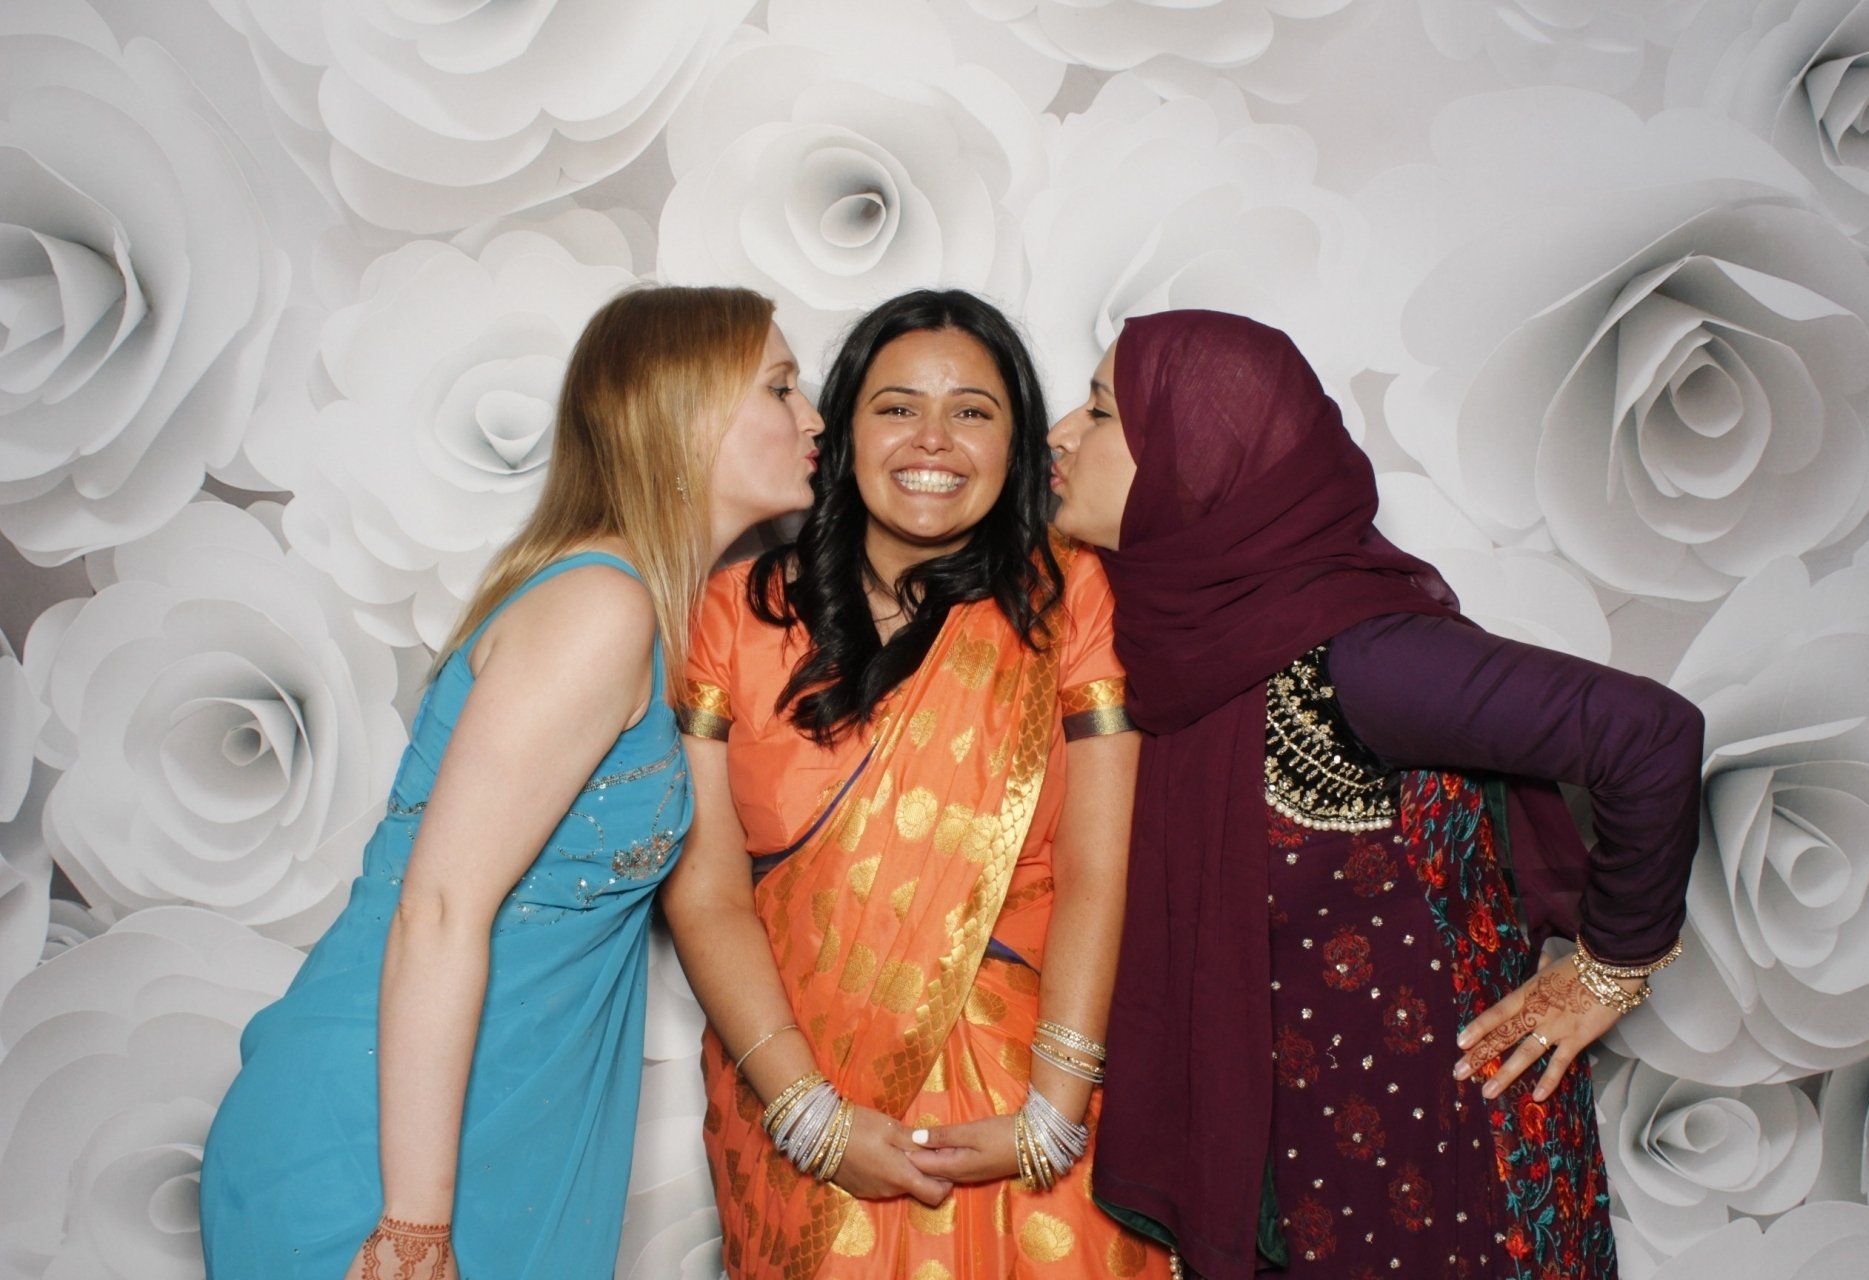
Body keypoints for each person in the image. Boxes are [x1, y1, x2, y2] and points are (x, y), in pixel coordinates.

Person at [1046, 310, 1704, 1280]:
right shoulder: (1177, 643)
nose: (1062, 430)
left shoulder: (1364, 655)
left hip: (1453, 1181)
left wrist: (1611, 968)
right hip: (1296, 1178)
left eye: (1098, 410)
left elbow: (1648, 733)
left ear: (1195, 460)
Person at [199, 285, 824, 1280]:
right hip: (387, 1154)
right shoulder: (598, 608)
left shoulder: (655, 617)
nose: (814, 416)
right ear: (683, 415)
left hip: (494, 1134)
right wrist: (413, 1221)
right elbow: (439, 906)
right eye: (782, 387)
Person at [665, 289, 1171, 1279]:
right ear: (841, 428)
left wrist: (1051, 1119)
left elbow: (1100, 866)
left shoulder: (1070, 598)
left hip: (1027, 1103)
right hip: (799, 1095)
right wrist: (808, 1113)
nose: (931, 438)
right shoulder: (735, 612)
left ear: (1018, 440)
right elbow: (705, 885)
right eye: (897, 406)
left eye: (972, 411)